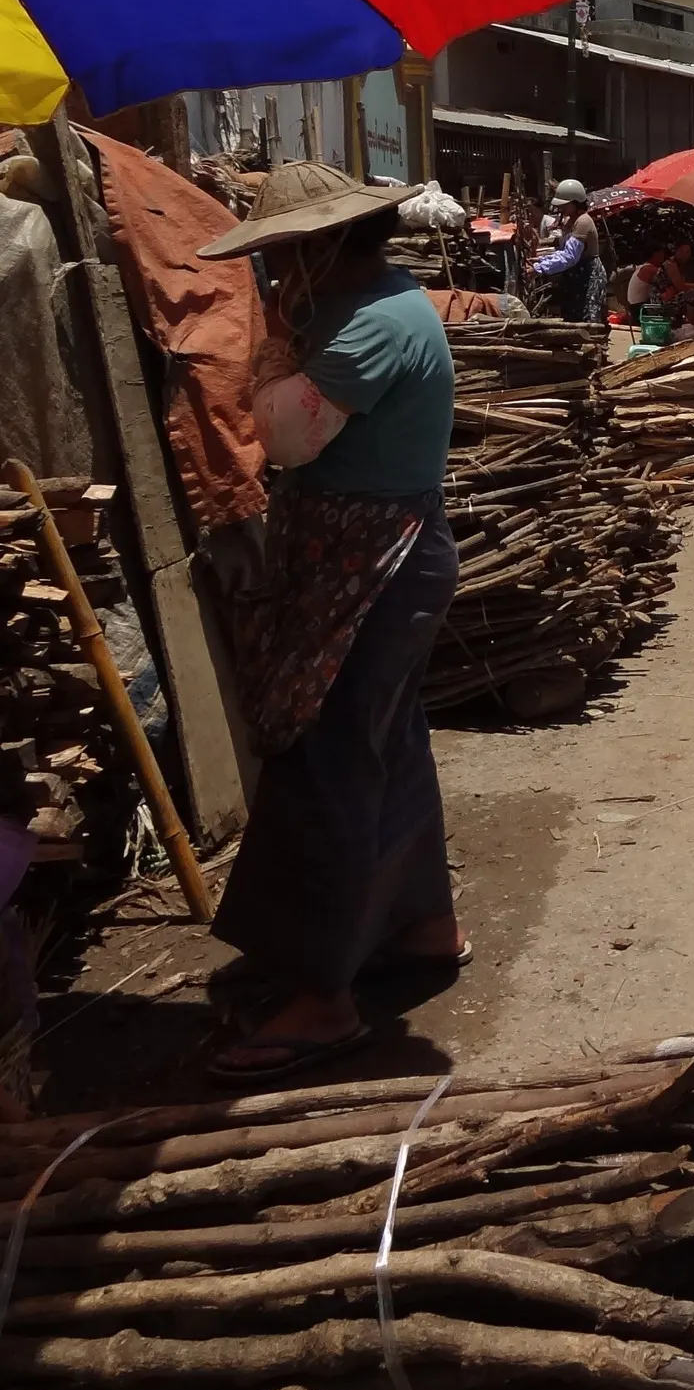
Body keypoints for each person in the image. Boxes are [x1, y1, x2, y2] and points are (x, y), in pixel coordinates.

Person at [199, 162, 464, 1079]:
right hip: (379, 555)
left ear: (320, 246)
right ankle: (423, 926)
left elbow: (285, 437)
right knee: (387, 742)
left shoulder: (373, 323)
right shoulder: (369, 306)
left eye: (283, 253)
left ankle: (322, 999)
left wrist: (273, 349)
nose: (275, 270)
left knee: (330, 758)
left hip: (376, 561)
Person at [530, 178, 606, 323]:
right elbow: (563, 251)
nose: (561, 208)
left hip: (588, 275)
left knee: (588, 319)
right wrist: (543, 259)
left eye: (564, 205)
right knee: (573, 317)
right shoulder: (571, 220)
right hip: (576, 275)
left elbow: (570, 256)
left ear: (575, 203)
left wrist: (539, 268)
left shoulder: (583, 222)